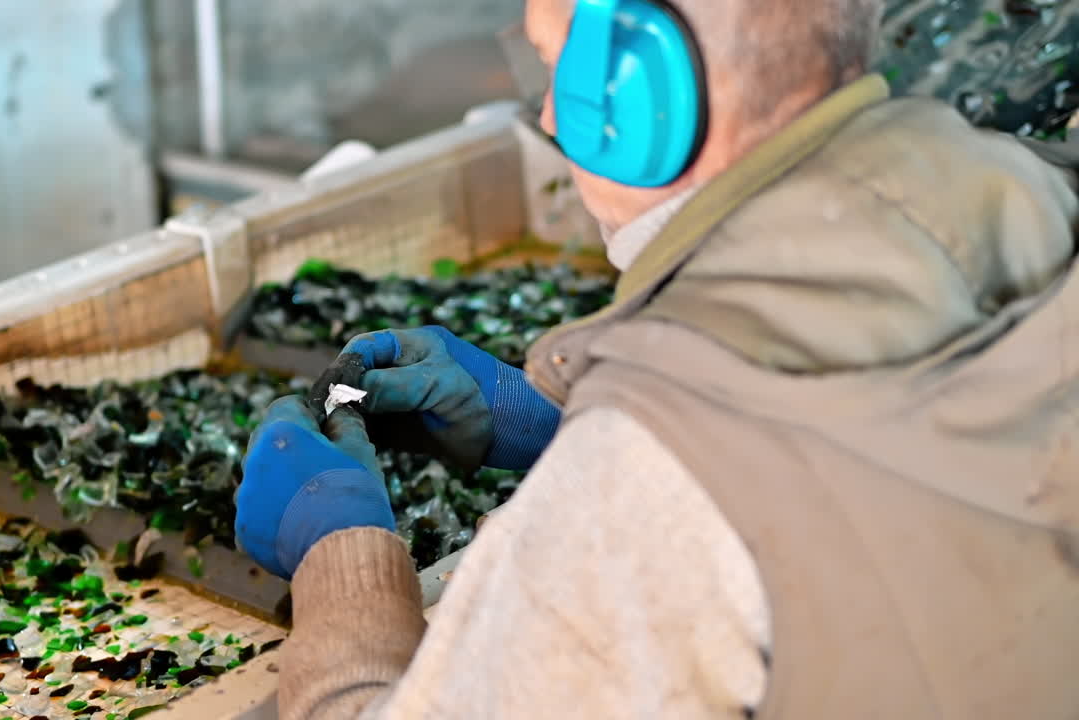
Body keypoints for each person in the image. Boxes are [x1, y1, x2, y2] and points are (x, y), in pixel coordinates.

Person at [234, 0, 1079, 717]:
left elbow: (699, 500)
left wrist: (342, 556)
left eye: (555, 67)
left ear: (637, 88)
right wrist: (555, 426)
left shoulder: (645, 488)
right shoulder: (1033, 192)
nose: (554, 121)